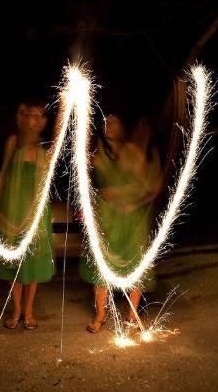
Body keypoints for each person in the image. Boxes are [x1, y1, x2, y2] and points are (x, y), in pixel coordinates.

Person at [79, 114, 163, 333]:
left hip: (129, 217)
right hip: (106, 216)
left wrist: (118, 192)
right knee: (101, 265)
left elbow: (144, 186)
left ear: (124, 127)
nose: (108, 124)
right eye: (105, 121)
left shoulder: (132, 151)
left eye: (114, 121)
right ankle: (100, 314)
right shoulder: (98, 149)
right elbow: (85, 165)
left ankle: (132, 316)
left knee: (136, 266)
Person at [0, 99, 55, 330]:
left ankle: (29, 310)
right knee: (13, 265)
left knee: (32, 264)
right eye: (30, 115)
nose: (34, 121)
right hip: (11, 213)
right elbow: (2, 174)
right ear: (23, 118)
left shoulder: (45, 151)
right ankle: (16, 309)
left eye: (40, 117)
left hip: (35, 215)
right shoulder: (13, 143)